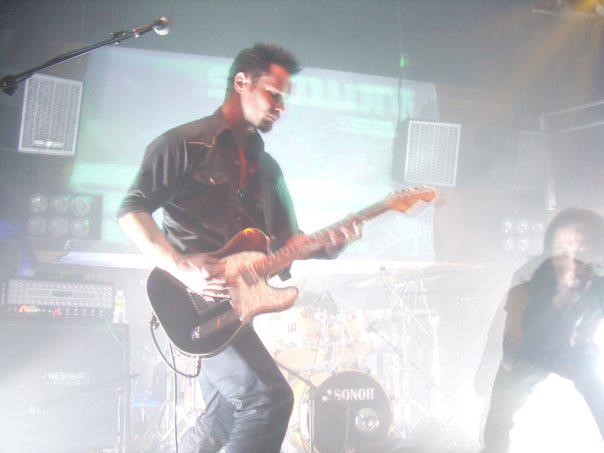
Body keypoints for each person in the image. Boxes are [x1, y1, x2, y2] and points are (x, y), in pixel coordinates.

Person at [117, 43, 360, 453]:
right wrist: (183, 267)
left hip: (234, 308)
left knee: (223, 418)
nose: (280, 107)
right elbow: (131, 211)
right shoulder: (184, 143)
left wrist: (328, 246)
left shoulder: (269, 169)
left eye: (284, 100)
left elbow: (288, 242)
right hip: (191, 300)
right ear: (242, 82)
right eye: (273, 94)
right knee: (269, 400)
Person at [483, 208, 604, 452]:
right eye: (564, 247)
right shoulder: (528, 279)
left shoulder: (596, 280)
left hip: (571, 351)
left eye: (581, 246)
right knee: (500, 417)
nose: (573, 254)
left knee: (594, 391)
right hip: (530, 351)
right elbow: (512, 332)